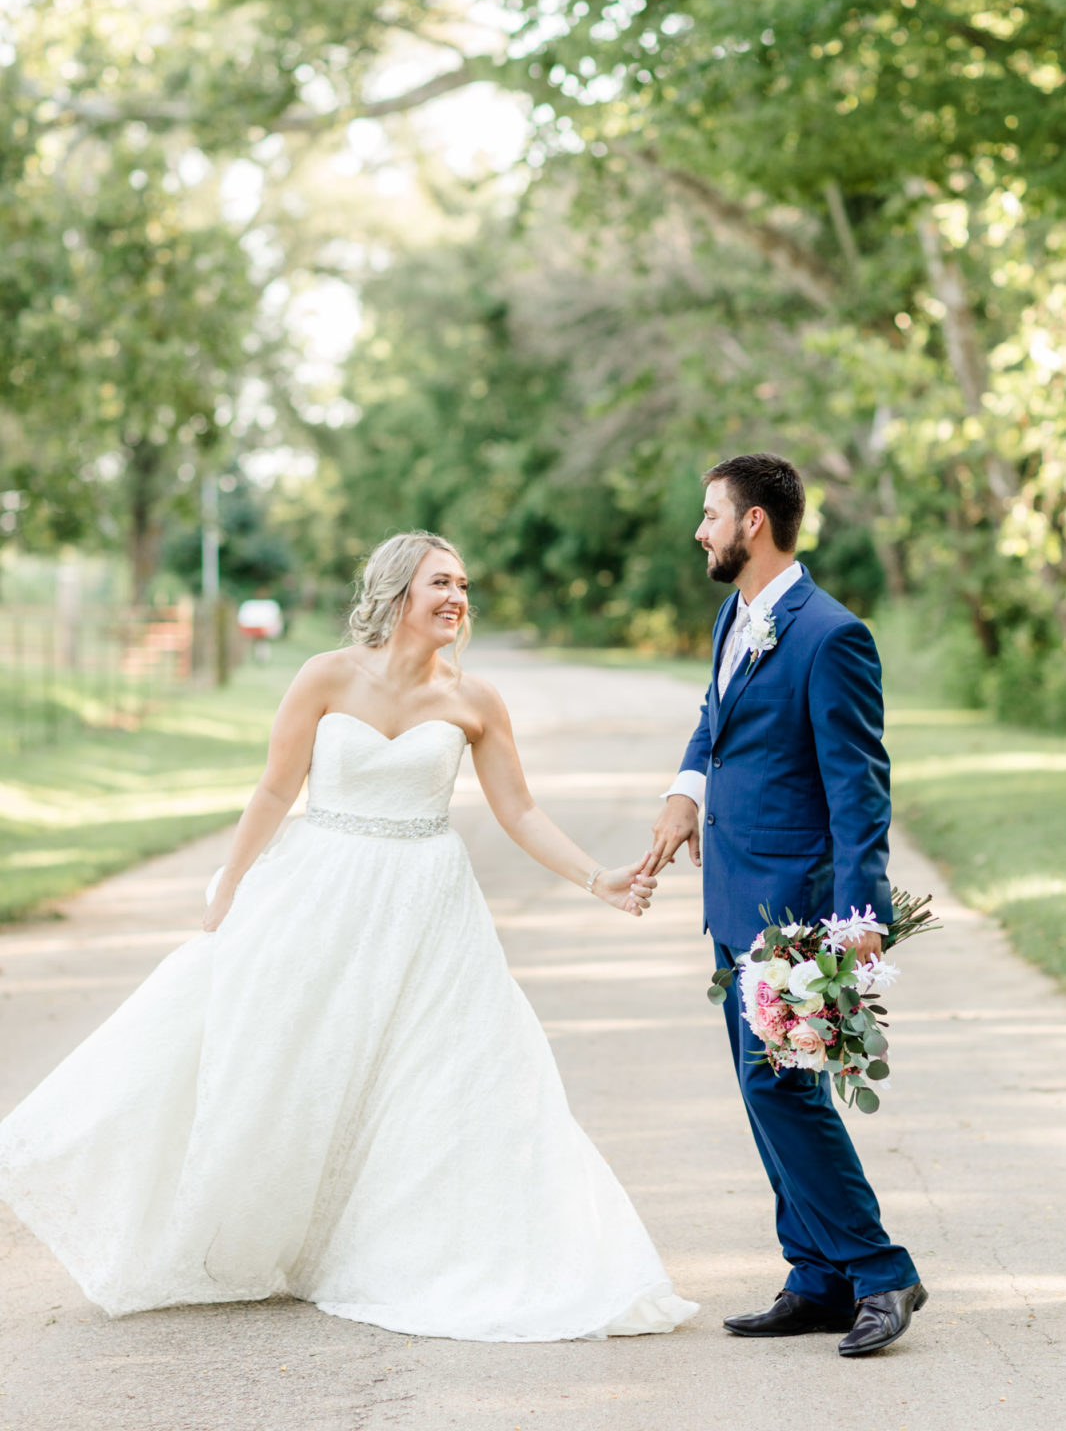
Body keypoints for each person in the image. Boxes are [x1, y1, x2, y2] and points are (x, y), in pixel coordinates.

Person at [0, 531, 697, 1344]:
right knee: (281, 1056)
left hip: (429, 905)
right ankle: (235, 1227)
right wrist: (230, 884)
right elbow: (273, 788)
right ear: (397, 590)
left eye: (464, 584)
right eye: (441, 581)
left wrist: (598, 878)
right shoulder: (325, 676)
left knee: (440, 1074)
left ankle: (417, 1245)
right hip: (321, 886)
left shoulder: (474, 702)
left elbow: (520, 812)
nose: (457, 597)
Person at [647, 454, 925, 1358]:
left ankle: (880, 1271)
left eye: (711, 515)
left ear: (753, 524)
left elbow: (860, 789)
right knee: (767, 1087)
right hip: (733, 894)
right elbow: (715, 716)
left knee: (784, 1089)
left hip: (796, 908)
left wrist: (859, 919)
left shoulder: (830, 635)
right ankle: (815, 1275)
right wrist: (687, 790)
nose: (701, 530)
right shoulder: (737, 614)